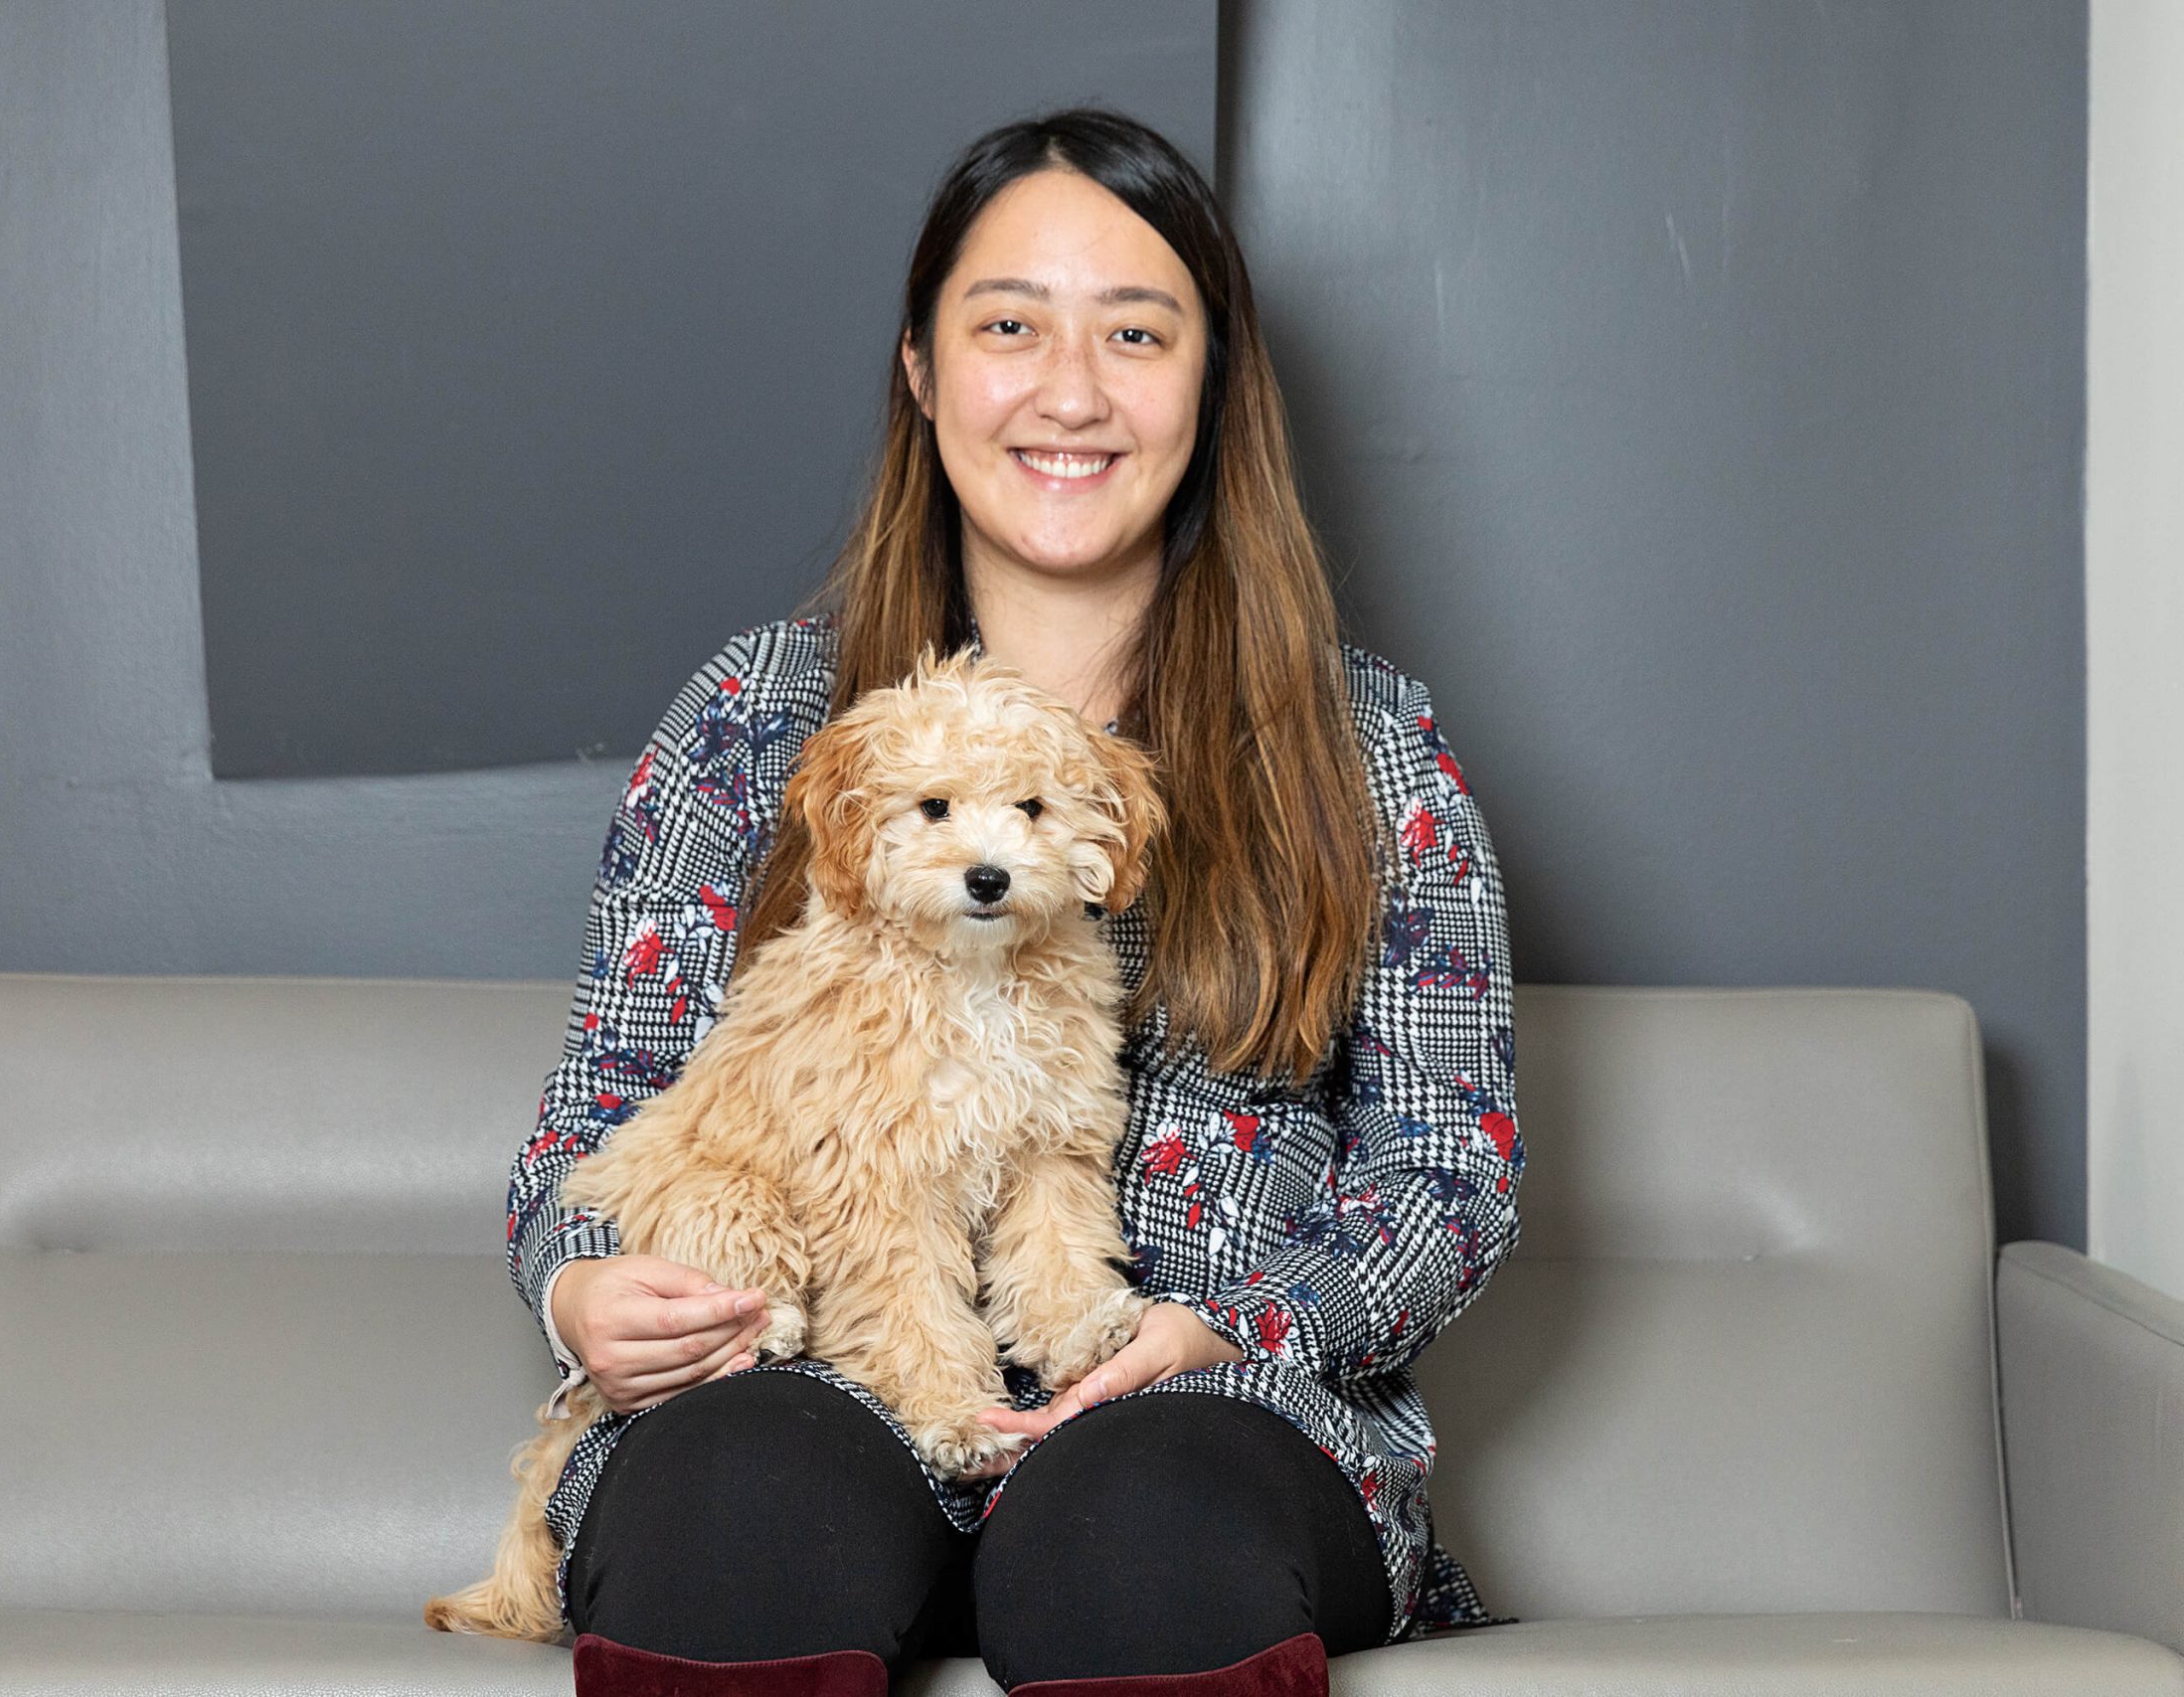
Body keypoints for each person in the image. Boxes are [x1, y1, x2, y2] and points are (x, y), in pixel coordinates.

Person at [506, 105, 1525, 1695]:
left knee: (1140, 1530)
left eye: (1135, 331)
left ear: (1213, 381)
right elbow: (596, 1120)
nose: (1070, 391)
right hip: (826, 1384)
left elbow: (1450, 1174)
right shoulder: (756, 719)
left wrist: (1230, 1330)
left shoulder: (1365, 750)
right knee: (741, 1503)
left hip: (1209, 1423)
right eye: (1008, 328)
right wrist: (579, 1289)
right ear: (922, 373)